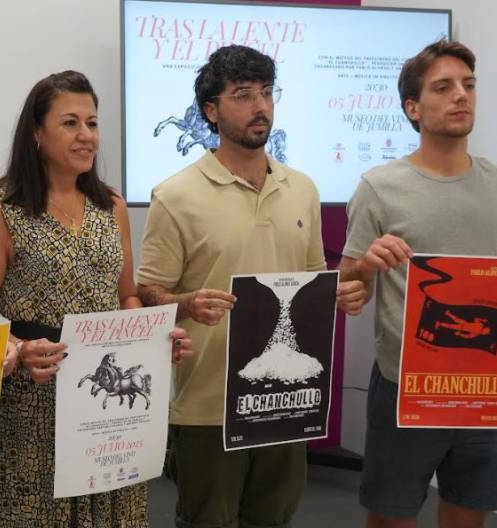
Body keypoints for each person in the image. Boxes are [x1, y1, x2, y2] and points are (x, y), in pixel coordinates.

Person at [136, 45, 365, 528]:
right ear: (211, 111)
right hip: (209, 405)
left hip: (288, 398)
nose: (260, 106)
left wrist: (341, 293)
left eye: (266, 92)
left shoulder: (302, 188)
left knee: (273, 518)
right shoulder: (175, 196)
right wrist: (186, 303)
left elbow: (312, 284)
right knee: (208, 521)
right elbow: (147, 295)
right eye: (243, 95)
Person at [0, 70, 192, 527]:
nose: (87, 135)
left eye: (92, 123)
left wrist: (155, 340)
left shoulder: (111, 207)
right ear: (36, 133)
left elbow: (127, 296)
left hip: (107, 410)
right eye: (70, 123)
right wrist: (18, 349)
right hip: (34, 401)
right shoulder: (0, 210)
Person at [338, 40, 497, 528]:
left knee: (469, 514)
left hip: (484, 384)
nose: (461, 95)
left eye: (468, 85)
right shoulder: (379, 186)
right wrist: (366, 267)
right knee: (392, 516)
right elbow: (347, 292)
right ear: (413, 107)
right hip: (406, 385)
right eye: (443, 87)